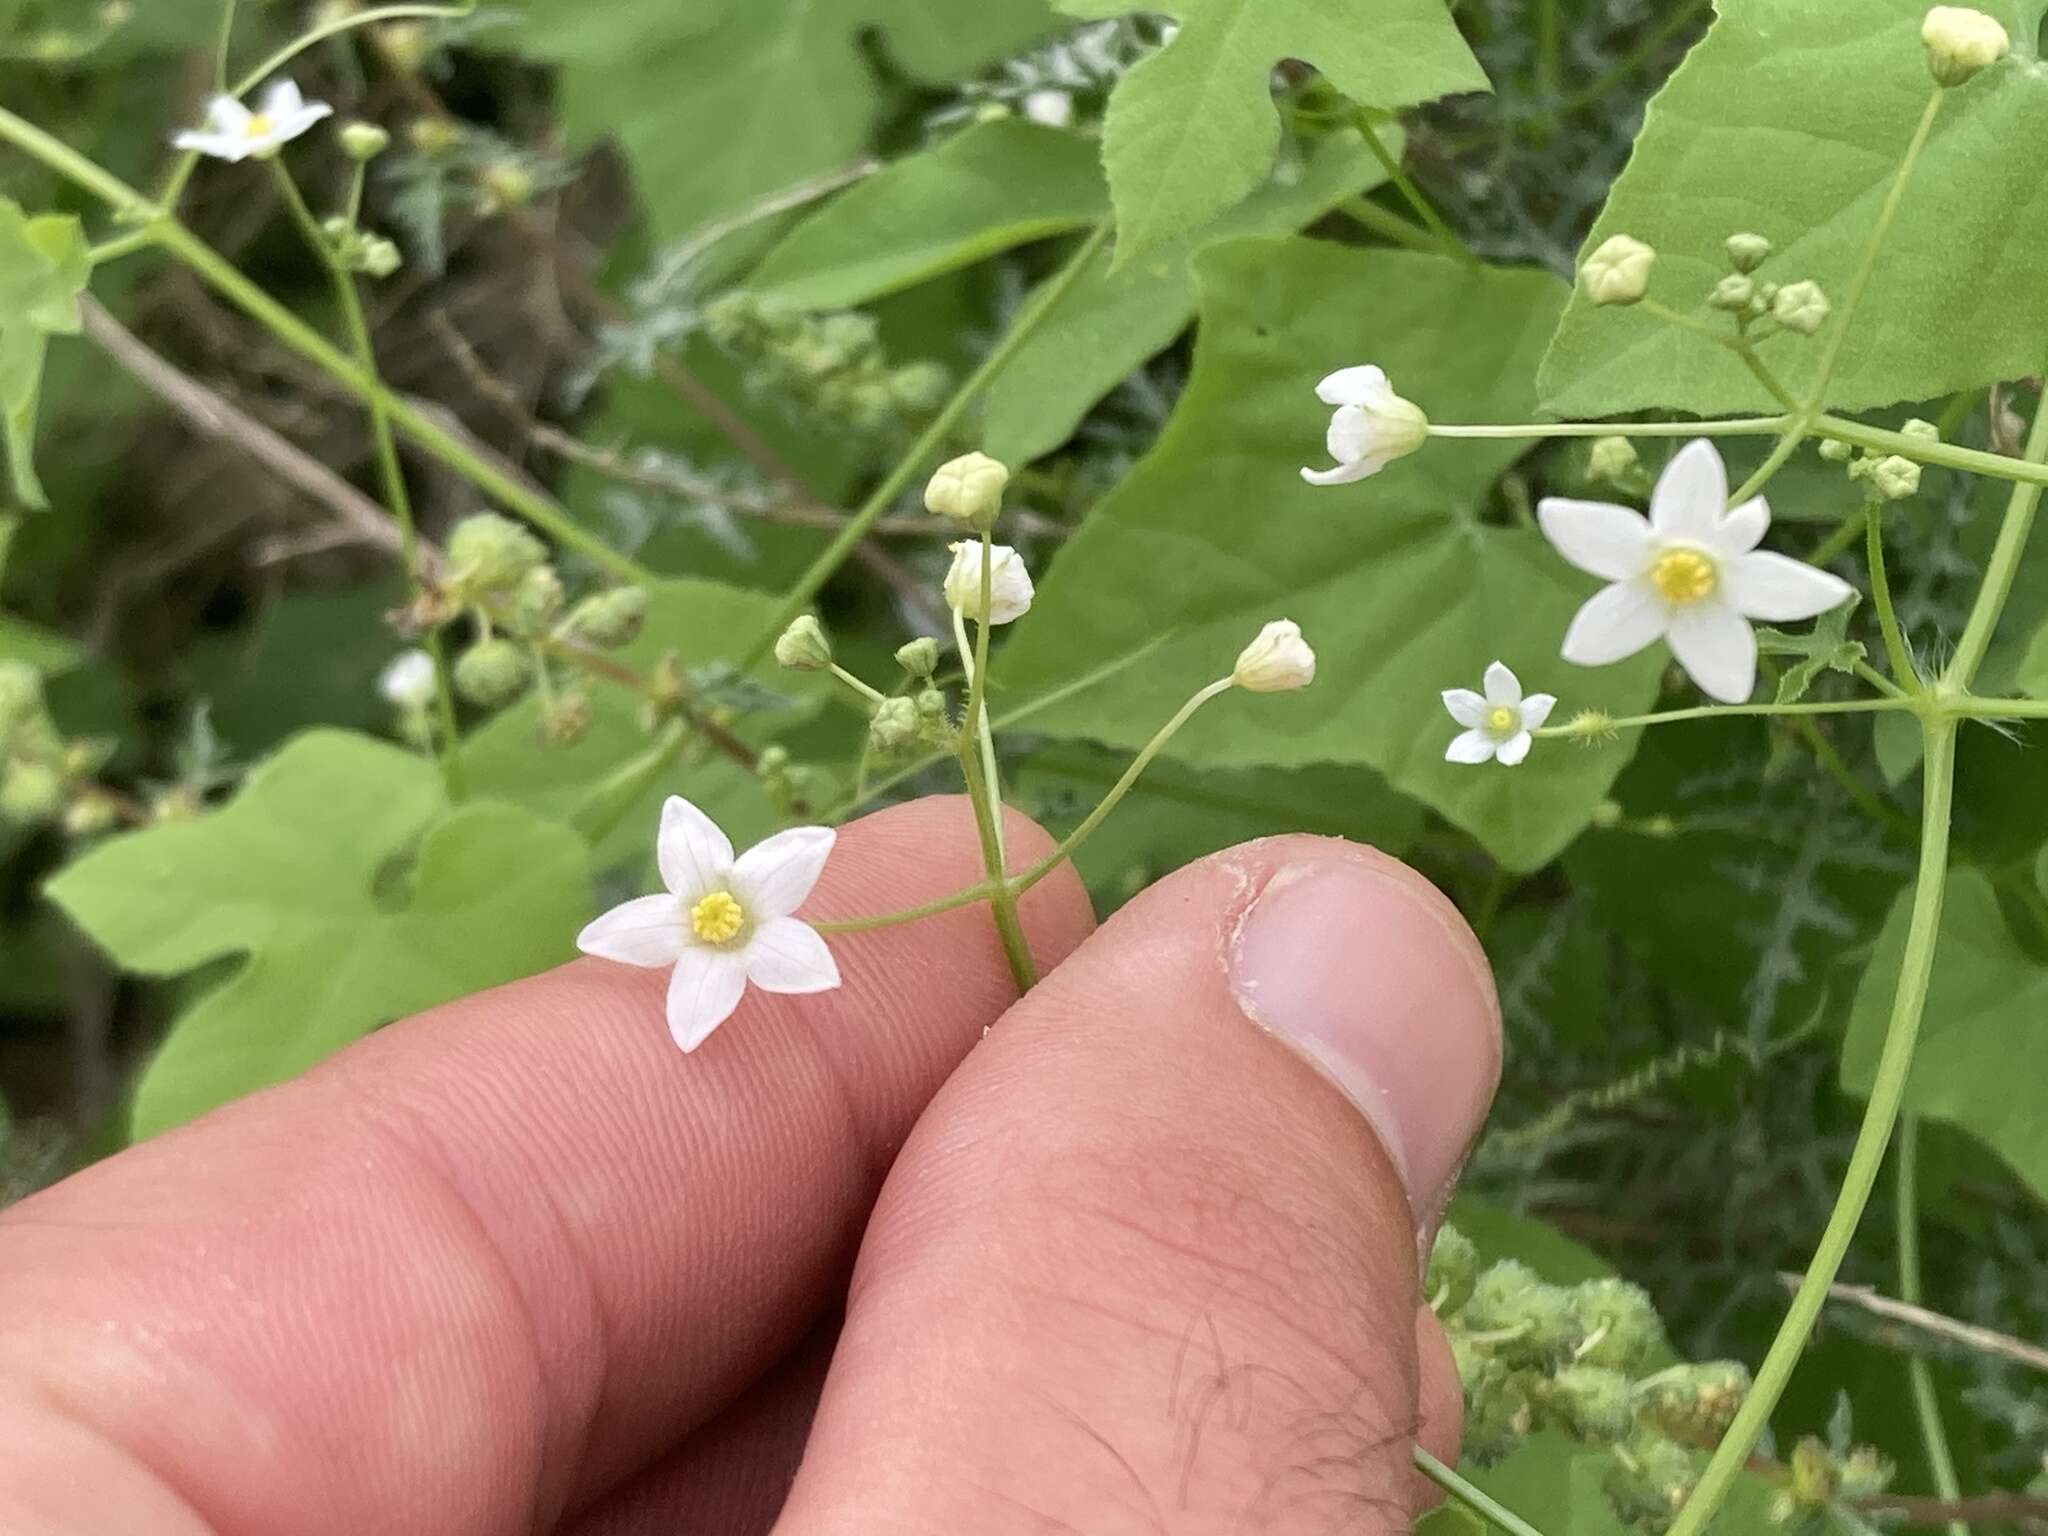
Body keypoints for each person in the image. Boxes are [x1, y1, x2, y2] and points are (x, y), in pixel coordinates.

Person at [0, 797, 1500, 1534]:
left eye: (723, 906)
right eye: (708, 907)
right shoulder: (717, 944)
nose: (711, 916)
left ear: (746, 894)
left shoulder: (770, 923)